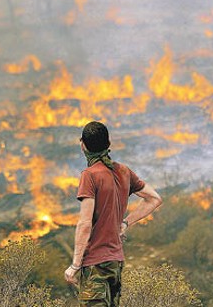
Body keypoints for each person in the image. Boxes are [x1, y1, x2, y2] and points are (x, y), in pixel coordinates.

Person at [64, 121, 163, 306]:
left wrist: (75, 265)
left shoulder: (90, 175)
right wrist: (125, 223)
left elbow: (85, 224)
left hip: (95, 264)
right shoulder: (123, 171)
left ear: (82, 145)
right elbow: (154, 198)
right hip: (116, 262)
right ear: (108, 143)